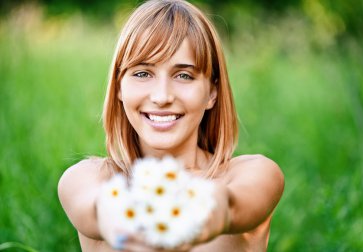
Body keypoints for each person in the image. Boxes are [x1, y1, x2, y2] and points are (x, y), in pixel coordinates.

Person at [58, 0, 284, 251]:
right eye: (143, 73)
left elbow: (235, 204)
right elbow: (94, 208)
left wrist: (212, 206)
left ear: (212, 92)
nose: (162, 96)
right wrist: (116, 217)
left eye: (184, 75)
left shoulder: (252, 174)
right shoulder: (89, 178)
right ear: (119, 86)